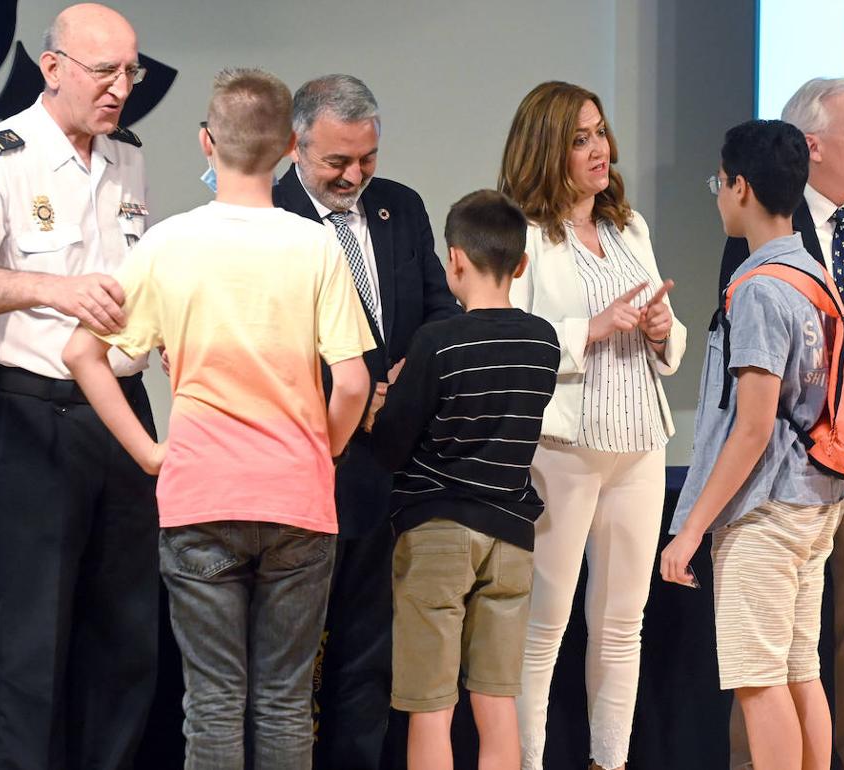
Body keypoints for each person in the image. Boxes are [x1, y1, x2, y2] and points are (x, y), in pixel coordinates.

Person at [62, 67, 373, 767]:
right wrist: (317, 451)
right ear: (292, 149)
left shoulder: (167, 245)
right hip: (296, 498)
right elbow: (351, 382)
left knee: (211, 704)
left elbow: (82, 354)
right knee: (287, 702)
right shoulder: (316, 245)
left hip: (201, 496)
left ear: (207, 142)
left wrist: (148, 452)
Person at [0, 5, 156, 767]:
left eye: (131, 72)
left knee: (125, 637)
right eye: (106, 72)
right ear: (52, 67)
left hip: (122, 414)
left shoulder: (128, 157)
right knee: (32, 642)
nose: (121, 88)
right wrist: (55, 292)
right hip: (35, 416)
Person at [719, 77, 844, 770]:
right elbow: (747, 357)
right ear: (814, 147)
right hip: (791, 469)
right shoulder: (765, 222)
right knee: (774, 647)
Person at [273, 73, 461, 769]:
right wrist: (345, 393)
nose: (356, 175)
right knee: (289, 664)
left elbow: (441, 313)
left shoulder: (400, 208)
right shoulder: (266, 214)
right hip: (308, 464)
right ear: (297, 145)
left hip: (391, 468)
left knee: (369, 656)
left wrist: (405, 381)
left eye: (368, 158)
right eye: (338, 162)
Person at [498, 80, 687, 770]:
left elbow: (665, 334)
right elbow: (511, 337)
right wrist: (590, 329)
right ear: (548, 149)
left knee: (621, 625)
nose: (598, 149)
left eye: (600, 132)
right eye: (579, 138)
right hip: (564, 446)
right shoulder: (524, 235)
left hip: (638, 440)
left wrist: (666, 330)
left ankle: (610, 763)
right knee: (543, 627)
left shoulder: (627, 228)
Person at [661, 119, 844, 770]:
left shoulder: (760, 287)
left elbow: (752, 426)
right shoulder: (812, 275)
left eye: (720, 182)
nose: (718, 195)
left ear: (741, 187)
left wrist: (690, 532)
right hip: (814, 499)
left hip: (766, 510)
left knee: (760, 679)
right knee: (799, 668)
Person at [368, 189, 559, 770]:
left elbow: (393, 445)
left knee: (430, 705)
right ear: (521, 264)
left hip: (437, 535)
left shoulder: (437, 342)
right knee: (497, 699)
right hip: (512, 538)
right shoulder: (543, 341)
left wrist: (380, 405)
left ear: (454, 259)